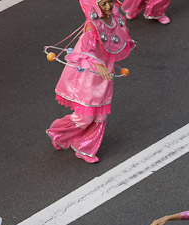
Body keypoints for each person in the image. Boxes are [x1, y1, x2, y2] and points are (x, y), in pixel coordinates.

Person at [46, 0, 135, 163]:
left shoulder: (115, 17)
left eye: (109, 1)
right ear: (95, 6)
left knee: (101, 115)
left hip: (105, 72)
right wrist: (99, 67)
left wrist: (127, 43)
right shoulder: (92, 25)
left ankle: (85, 147)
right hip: (90, 74)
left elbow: (117, 36)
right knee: (85, 117)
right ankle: (58, 133)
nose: (108, 6)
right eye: (103, 4)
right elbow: (87, 50)